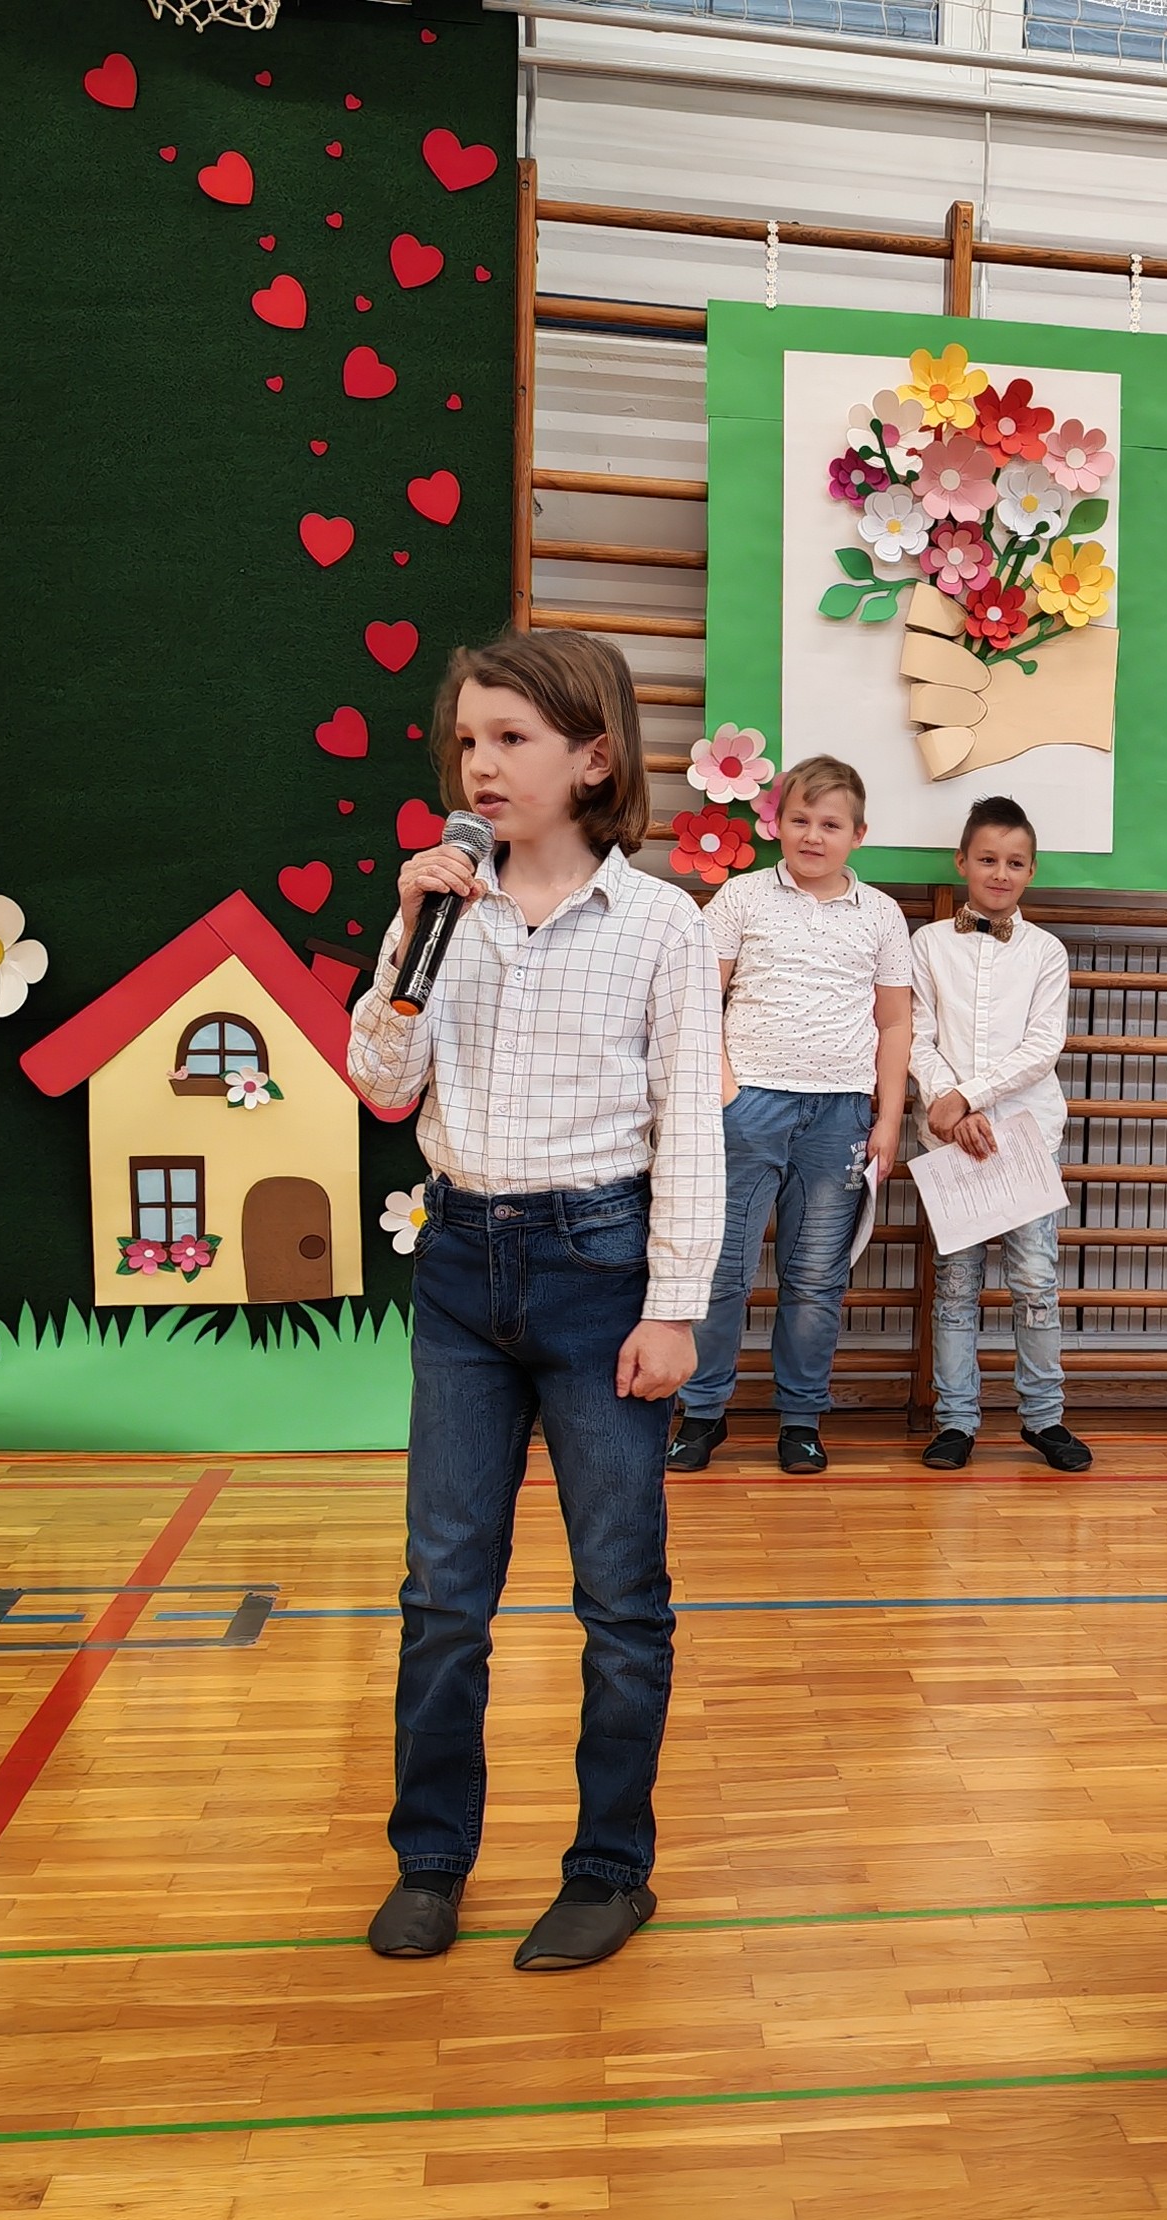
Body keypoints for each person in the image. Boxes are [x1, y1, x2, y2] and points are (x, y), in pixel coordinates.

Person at [348, 629, 722, 1972]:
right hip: (462, 1268)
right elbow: (383, 1085)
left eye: (511, 739)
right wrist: (409, 937)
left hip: (597, 1269)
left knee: (620, 1595)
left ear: (594, 758)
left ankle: (611, 1869)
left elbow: (689, 1126)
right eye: (468, 741)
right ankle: (429, 1861)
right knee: (444, 1591)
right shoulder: (442, 912)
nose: (482, 765)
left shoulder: (663, 926)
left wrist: (674, 1307)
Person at [669, 756, 914, 1478]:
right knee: (723, 1271)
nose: (813, 835)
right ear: (776, 824)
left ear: (858, 834)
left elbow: (895, 1023)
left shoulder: (882, 914)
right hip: (748, 1108)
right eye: (799, 819)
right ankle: (702, 1412)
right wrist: (724, 1088)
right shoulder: (741, 897)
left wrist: (888, 1119)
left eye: (830, 824)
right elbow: (698, 998)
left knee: (815, 1278)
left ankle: (801, 1420)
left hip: (840, 1115)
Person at [911, 797, 1086, 1474]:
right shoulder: (928, 945)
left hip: (1026, 1139)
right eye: (987, 859)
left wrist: (972, 1095)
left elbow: (1042, 1046)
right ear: (963, 862)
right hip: (949, 1143)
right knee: (955, 1285)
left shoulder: (1046, 952)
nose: (1000, 873)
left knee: (1036, 1282)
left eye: (1015, 863)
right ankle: (955, 1420)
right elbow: (916, 1036)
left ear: (1031, 870)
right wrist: (950, 1106)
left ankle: (1044, 1418)